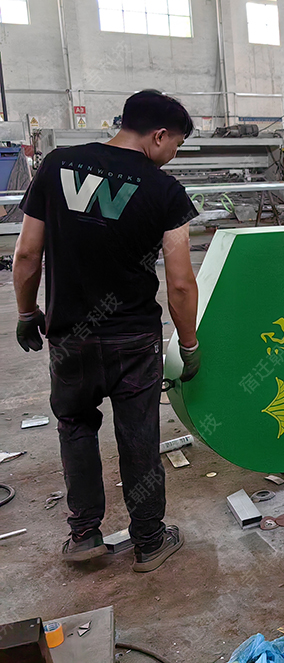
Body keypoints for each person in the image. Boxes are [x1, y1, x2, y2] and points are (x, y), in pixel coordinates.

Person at [13, 90, 202, 573]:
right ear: (159, 135)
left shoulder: (58, 165)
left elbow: (27, 253)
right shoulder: (164, 191)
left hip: (69, 336)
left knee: (75, 427)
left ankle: (84, 535)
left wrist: (26, 313)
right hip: (133, 340)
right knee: (139, 437)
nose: (173, 154)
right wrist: (189, 344)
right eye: (176, 145)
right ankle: (149, 542)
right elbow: (181, 283)